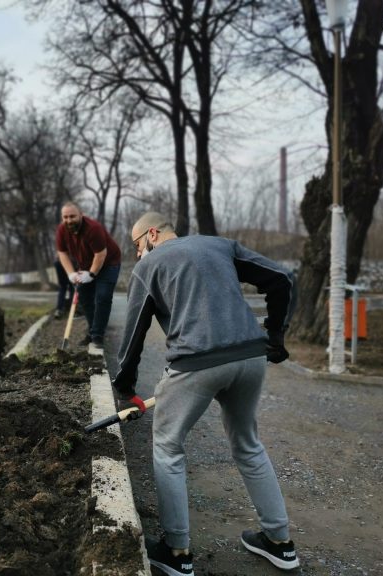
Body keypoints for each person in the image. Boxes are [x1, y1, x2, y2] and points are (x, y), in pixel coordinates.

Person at [113, 212, 298, 575]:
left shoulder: (149, 265)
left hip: (195, 363)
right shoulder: (219, 246)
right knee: (248, 443)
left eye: (137, 245)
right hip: (249, 357)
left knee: (167, 447)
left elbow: (133, 334)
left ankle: (177, 553)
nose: (137, 254)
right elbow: (282, 279)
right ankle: (280, 542)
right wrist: (275, 334)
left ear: (152, 234)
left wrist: (124, 389)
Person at [55, 201, 121, 352]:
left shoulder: (93, 228)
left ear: (81, 215)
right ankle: (92, 331)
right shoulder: (62, 230)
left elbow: (101, 254)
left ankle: (97, 336)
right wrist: (71, 273)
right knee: (84, 297)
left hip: (109, 263)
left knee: (102, 297)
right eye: (65, 217)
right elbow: (62, 253)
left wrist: (91, 275)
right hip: (84, 265)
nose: (69, 220)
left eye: (72, 216)